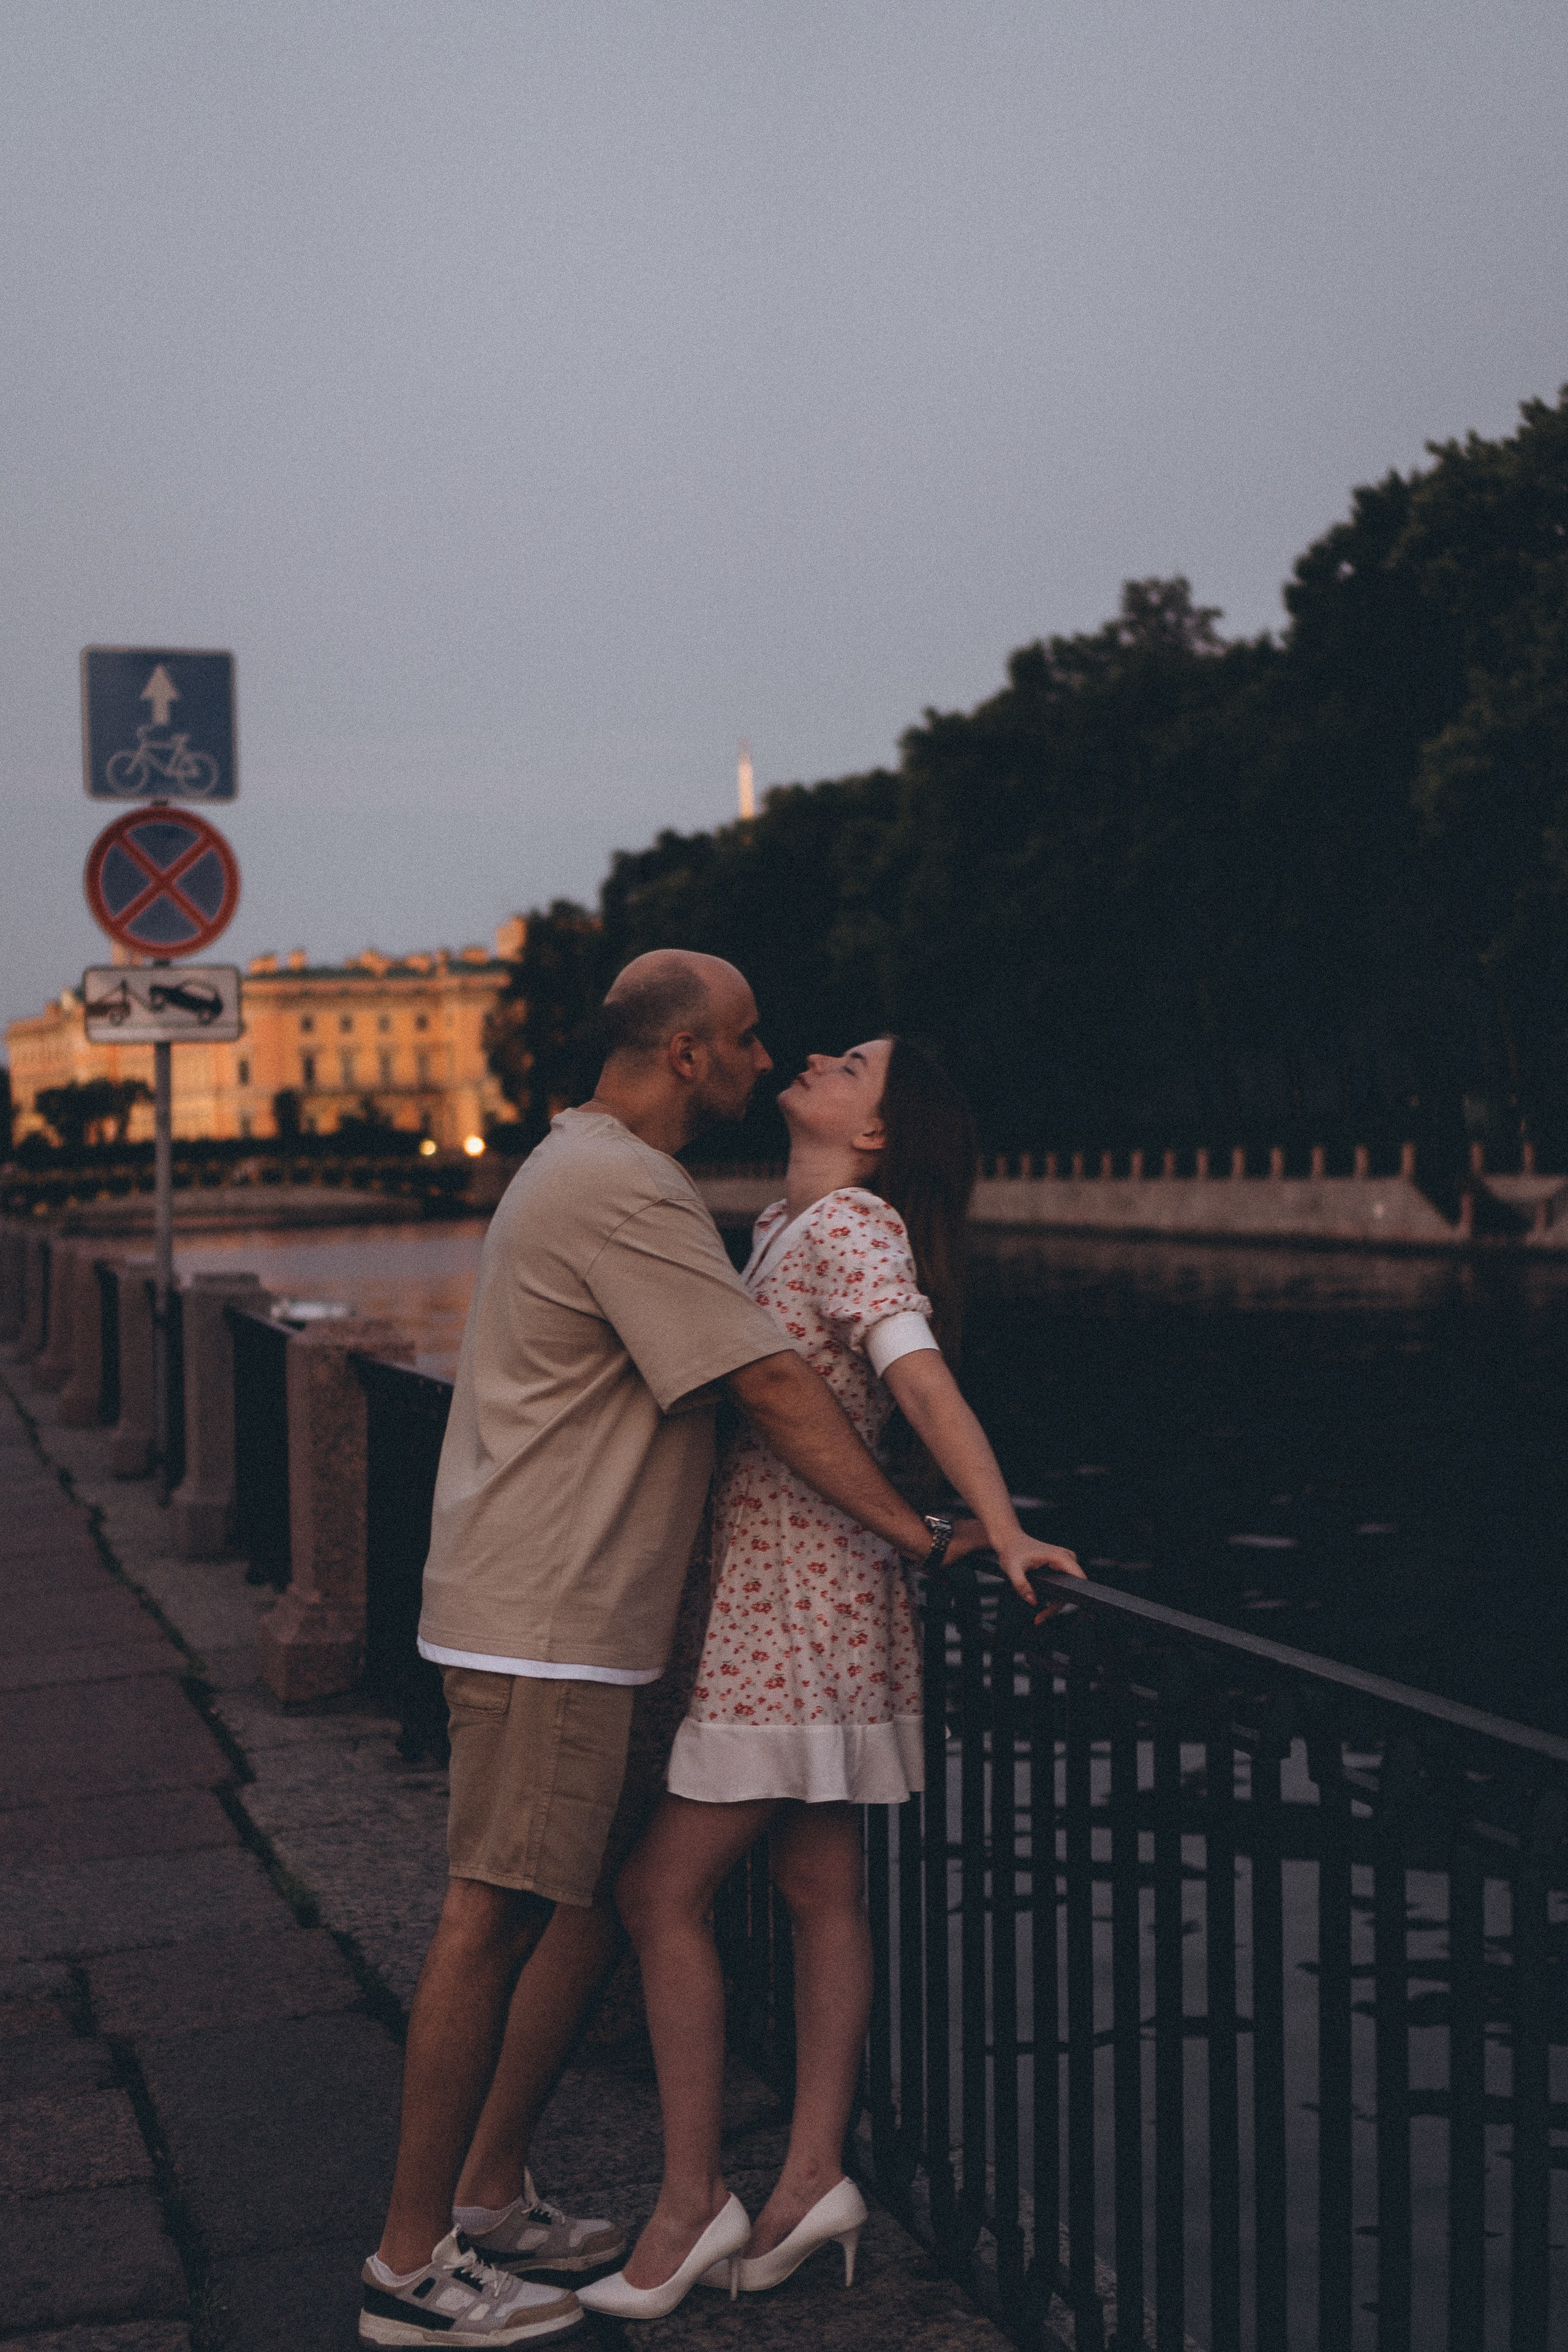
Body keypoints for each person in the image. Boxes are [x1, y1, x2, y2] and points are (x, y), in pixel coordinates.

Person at [360, 960, 997, 2350]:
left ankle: (491, 2187)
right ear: (689, 1055)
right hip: (551, 1614)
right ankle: (410, 2269)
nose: (778, 1055)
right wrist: (926, 1533)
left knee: (590, 1900)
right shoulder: (631, 1190)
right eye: (755, 1037)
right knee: (496, 1914)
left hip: (599, 1609)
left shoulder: (608, 1171)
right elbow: (766, 1382)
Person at [580, 1035, 1084, 2321]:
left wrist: (1001, 1522)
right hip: (802, 1599)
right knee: (816, 1886)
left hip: (793, 1610)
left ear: (876, 1134)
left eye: (851, 1063)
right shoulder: (779, 1223)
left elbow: (915, 1373)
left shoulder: (852, 1221)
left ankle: (691, 2205)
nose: (815, 1056)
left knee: (655, 1890)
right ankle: (811, 2179)